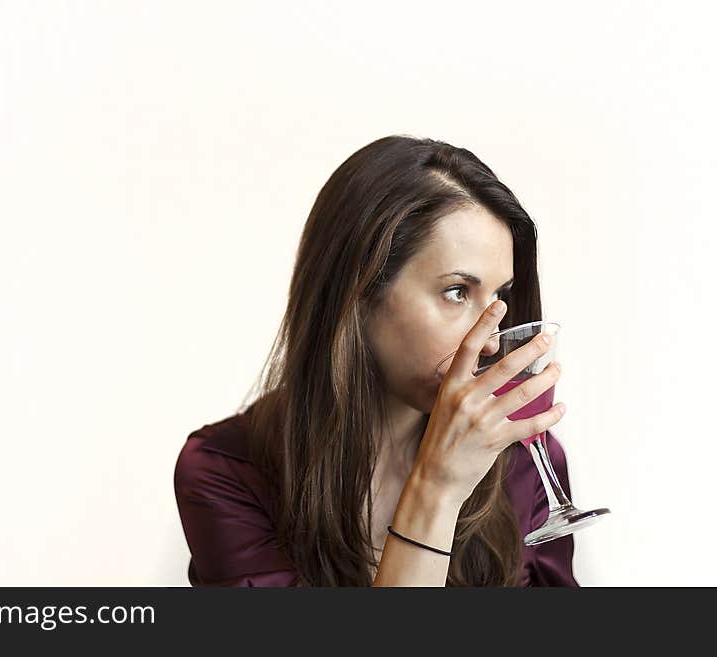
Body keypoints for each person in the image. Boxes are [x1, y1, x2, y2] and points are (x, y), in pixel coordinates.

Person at [173, 135, 579, 586]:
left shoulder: (522, 466)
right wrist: (437, 490)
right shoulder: (226, 471)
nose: (489, 341)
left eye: (500, 296)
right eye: (457, 292)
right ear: (359, 296)